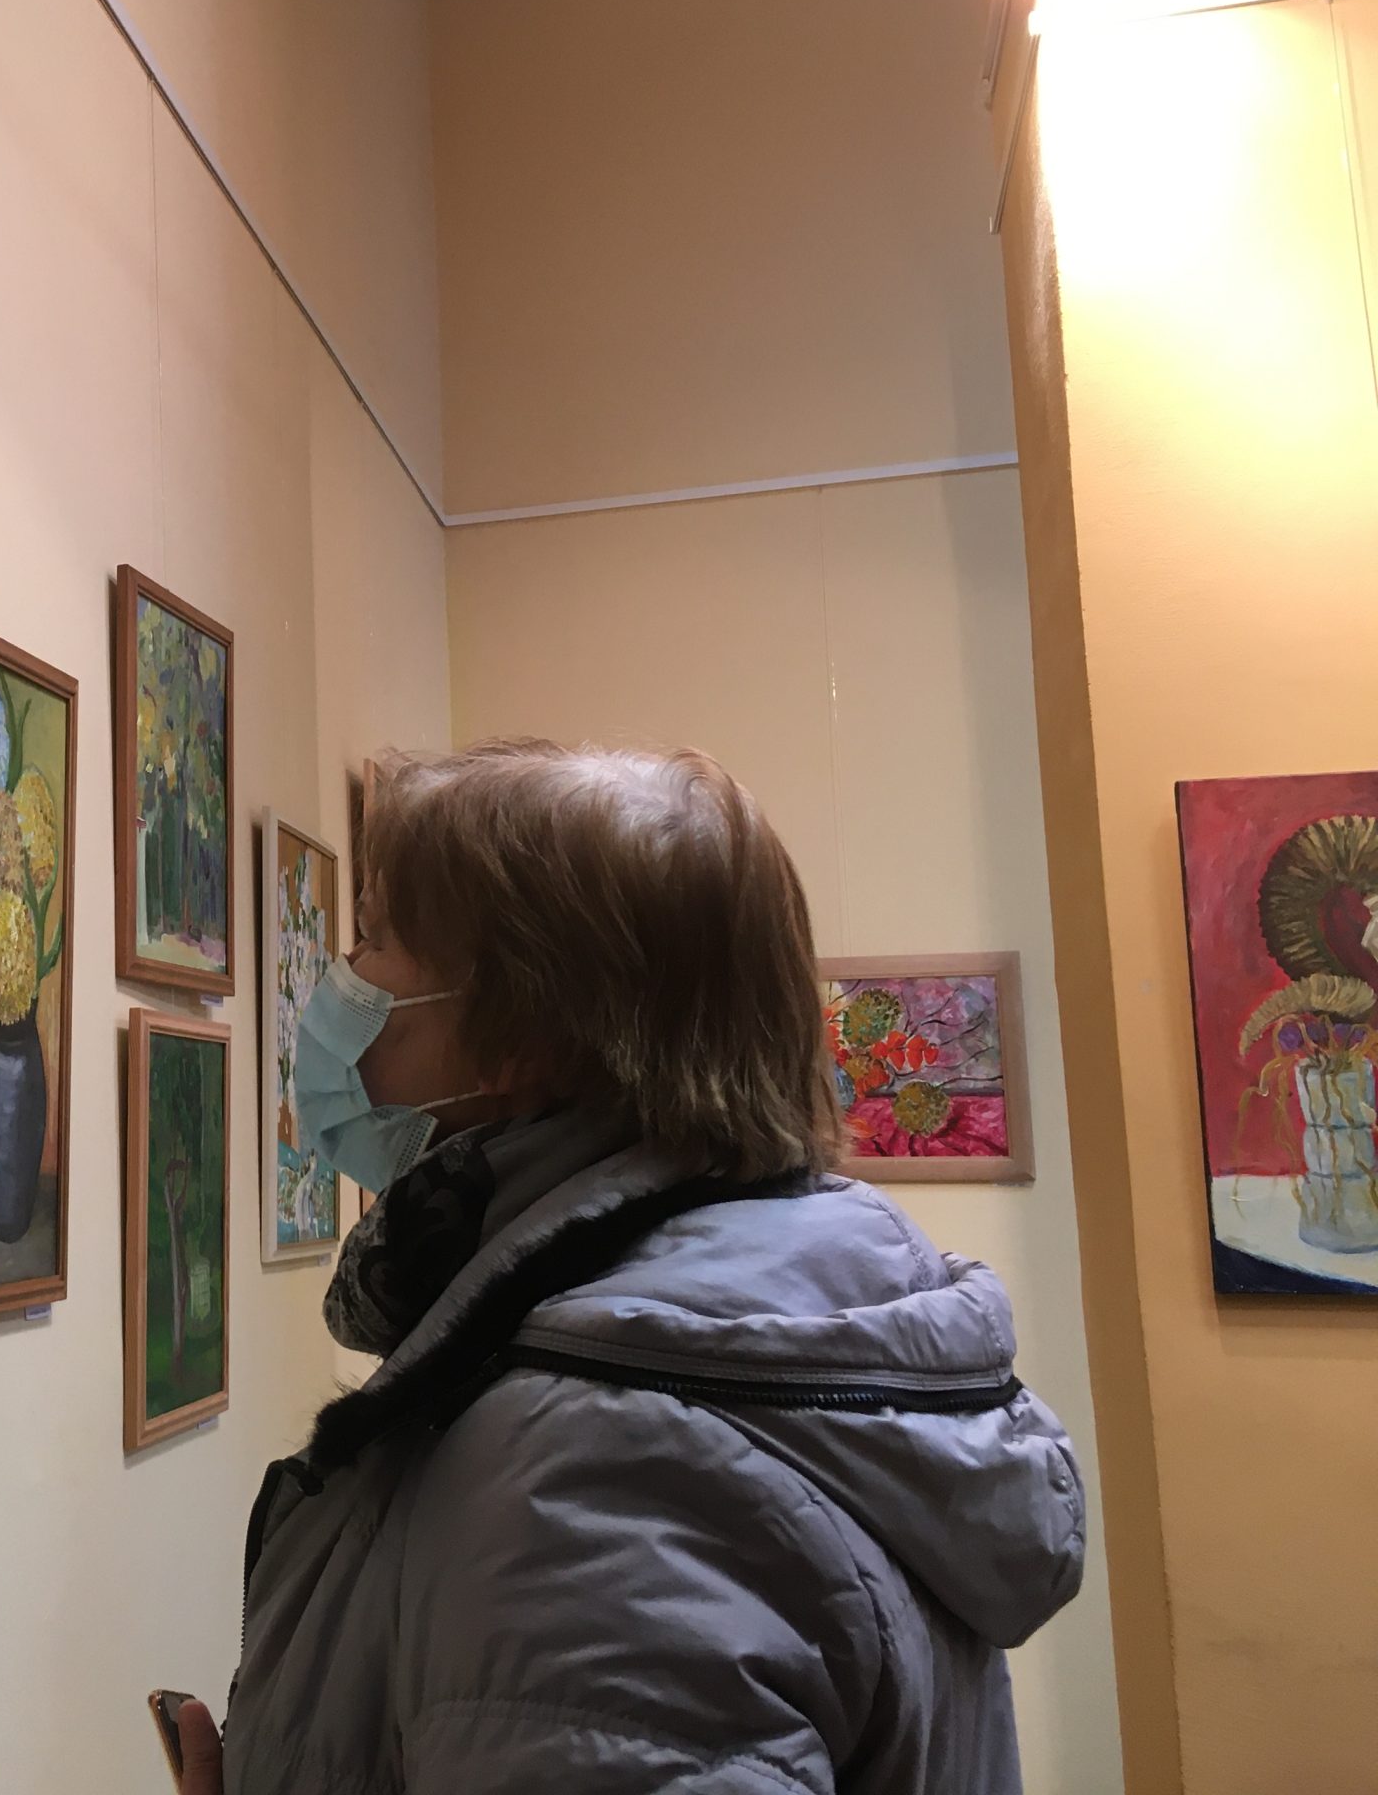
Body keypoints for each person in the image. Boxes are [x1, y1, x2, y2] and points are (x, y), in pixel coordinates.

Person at [174, 740, 1084, 1794]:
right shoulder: (791, 1292)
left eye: (373, 941)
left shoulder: (598, 1469)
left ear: (519, 1039)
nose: (338, 981)